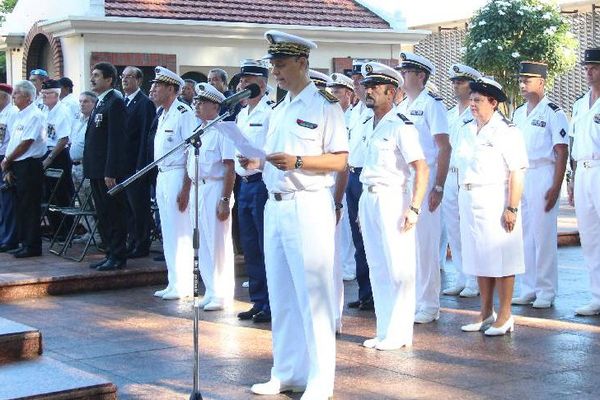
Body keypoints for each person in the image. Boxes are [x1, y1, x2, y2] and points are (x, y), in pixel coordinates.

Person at [247, 30, 348, 400]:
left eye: (282, 63)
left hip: (308, 206)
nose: (276, 71)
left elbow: (339, 159)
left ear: (303, 63)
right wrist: (256, 160)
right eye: (273, 64)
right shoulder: (279, 107)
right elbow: (274, 156)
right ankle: (286, 372)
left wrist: (299, 161)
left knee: (314, 297)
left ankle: (321, 382)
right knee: (282, 293)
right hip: (275, 204)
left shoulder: (325, 105)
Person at [357, 62, 428, 350]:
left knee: (398, 267)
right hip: (369, 197)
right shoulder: (367, 123)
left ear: (391, 91)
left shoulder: (401, 125)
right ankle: (384, 329)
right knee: (377, 267)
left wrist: (414, 207)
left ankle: (400, 334)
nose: (368, 91)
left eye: (375, 87)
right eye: (367, 86)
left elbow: (420, 169)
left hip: (393, 198)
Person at [456, 77, 528, 336]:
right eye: (471, 99)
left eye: (478, 100)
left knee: (502, 258)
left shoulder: (507, 131)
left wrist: (512, 207)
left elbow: (517, 171)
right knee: (478, 256)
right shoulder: (466, 129)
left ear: (493, 103)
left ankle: (506, 315)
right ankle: (485, 313)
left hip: (495, 198)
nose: (472, 104)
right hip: (469, 197)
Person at [396, 52, 451, 324]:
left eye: (407, 72)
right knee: (408, 246)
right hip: (403, 183)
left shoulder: (432, 105)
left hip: (425, 181)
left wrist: (438, 186)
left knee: (426, 246)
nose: (402, 76)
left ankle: (430, 304)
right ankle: (414, 300)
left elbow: (443, 147)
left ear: (420, 76)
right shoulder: (402, 105)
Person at [511, 61, 569, 309]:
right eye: (521, 81)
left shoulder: (554, 112)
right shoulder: (518, 113)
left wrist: (556, 186)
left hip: (544, 173)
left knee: (543, 235)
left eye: (528, 81)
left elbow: (561, 151)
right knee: (524, 235)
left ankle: (546, 289)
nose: (522, 85)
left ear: (542, 82)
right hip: (523, 174)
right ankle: (528, 287)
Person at [187, 82, 236, 310]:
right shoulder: (200, 130)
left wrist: (225, 199)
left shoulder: (223, 130)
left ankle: (223, 293)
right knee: (202, 242)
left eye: (201, 102)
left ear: (215, 106)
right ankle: (211, 289)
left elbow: (229, 167)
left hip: (215, 188)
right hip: (199, 188)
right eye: (195, 101)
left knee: (217, 243)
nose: (196, 105)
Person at [151, 66, 195, 300]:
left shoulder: (183, 112)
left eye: (158, 85)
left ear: (171, 89)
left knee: (180, 231)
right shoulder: (163, 113)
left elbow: (191, 152)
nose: (153, 89)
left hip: (178, 175)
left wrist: (186, 188)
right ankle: (173, 281)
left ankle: (185, 283)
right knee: (168, 231)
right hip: (162, 175)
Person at [234, 59, 272, 323]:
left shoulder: (271, 111)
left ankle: (271, 303)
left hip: (262, 183)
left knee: (264, 245)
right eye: (241, 80)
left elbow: (275, 149)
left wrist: (257, 161)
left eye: (248, 81)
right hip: (244, 184)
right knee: (250, 248)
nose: (243, 85)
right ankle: (258, 301)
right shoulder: (242, 112)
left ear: (261, 83)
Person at [441, 64, 482, 298]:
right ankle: (461, 276)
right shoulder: (449, 114)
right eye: (454, 82)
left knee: (470, 228)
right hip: (449, 174)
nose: (456, 85)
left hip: (468, 175)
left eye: (461, 82)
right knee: (454, 229)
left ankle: (475, 280)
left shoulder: (477, 113)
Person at [83, 62, 129, 271]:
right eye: (92, 75)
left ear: (109, 79)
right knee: (102, 213)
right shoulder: (101, 102)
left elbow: (115, 140)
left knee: (113, 213)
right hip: (96, 170)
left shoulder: (115, 102)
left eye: (97, 75)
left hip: (107, 171)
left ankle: (118, 255)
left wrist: (111, 170)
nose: (92, 79)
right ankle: (109, 252)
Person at [568, 48, 600, 316]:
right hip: (583, 170)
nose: (589, 71)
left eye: (595, 67)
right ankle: (596, 295)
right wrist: (571, 176)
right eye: (587, 67)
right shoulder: (580, 103)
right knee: (589, 237)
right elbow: (574, 140)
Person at [1, 80, 46, 258]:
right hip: (18, 164)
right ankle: (24, 242)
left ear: (28, 97)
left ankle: (33, 246)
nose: (13, 97)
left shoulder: (35, 115)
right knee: (21, 205)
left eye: (17, 94)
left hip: (29, 165)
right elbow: (13, 141)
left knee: (30, 206)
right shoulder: (20, 115)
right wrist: (9, 162)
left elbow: (26, 143)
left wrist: (7, 159)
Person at [327, 72, 357, 332]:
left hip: (348, 174)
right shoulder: (330, 115)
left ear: (349, 94)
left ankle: (349, 265)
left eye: (338, 91)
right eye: (331, 90)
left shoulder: (355, 115)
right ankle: (346, 264)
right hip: (331, 178)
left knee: (346, 223)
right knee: (341, 227)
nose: (333, 95)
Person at [346, 59, 374, 311]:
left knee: (371, 238)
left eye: (361, 82)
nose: (357, 86)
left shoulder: (377, 113)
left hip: (369, 178)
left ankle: (376, 292)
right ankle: (365, 291)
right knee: (358, 240)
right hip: (352, 176)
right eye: (355, 81)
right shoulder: (353, 112)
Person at [121, 66, 157, 258]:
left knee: (138, 207)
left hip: (137, 165)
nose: (125, 80)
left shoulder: (144, 103)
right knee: (127, 207)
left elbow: (145, 136)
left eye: (130, 77)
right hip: (124, 165)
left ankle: (142, 243)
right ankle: (132, 240)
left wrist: (141, 166)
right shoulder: (123, 101)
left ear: (139, 81)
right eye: (123, 76)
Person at [40, 79, 75, 239]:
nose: (43, 97)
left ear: (56, 94)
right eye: (43, 93)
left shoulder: (62, 111)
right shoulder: (46, 111)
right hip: (47, 151)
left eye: (47, 94)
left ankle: (66, 230)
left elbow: (63, 138)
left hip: (59, 154)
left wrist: (50, 158)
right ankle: (56, 229)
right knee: (49, 194)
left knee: (62, 194)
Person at [0, 84, 19, 252]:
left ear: (4, 97)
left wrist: (8, 163)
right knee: (2, 202)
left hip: (7, 158)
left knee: (8, 201)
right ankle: (3, 236)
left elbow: (14, 140)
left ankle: (10, 239)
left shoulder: (12, 113)